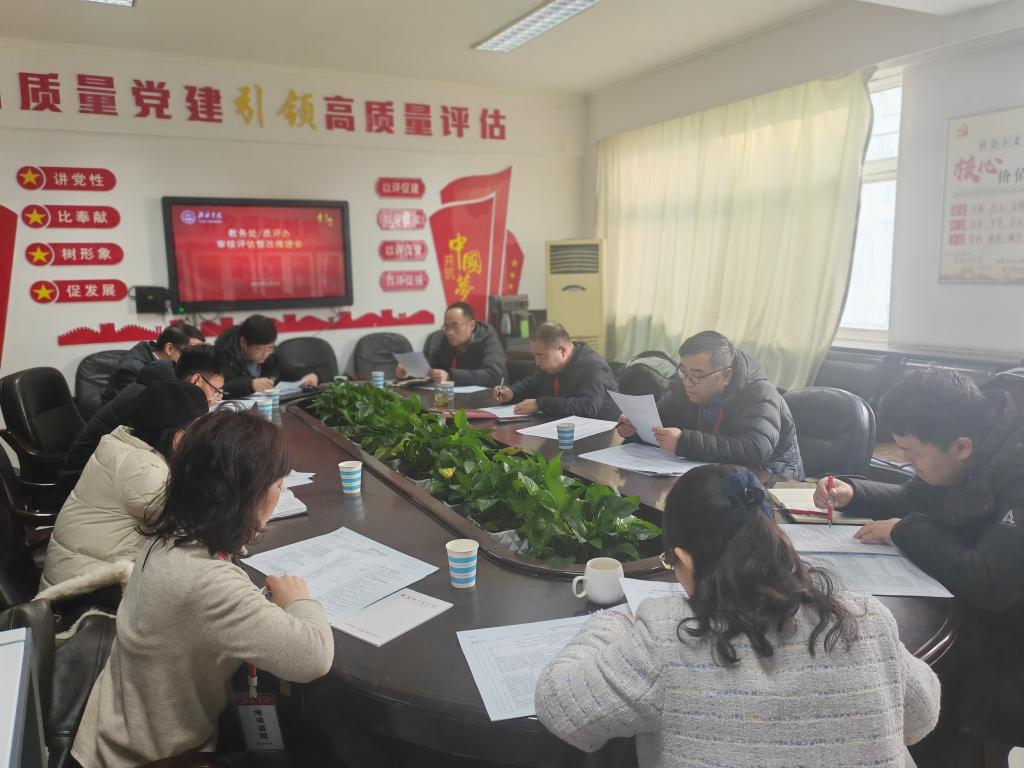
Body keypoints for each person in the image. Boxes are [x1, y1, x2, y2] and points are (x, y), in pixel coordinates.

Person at [535, 464, 940, 767]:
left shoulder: (668, 635)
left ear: (684, 561)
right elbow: (921, 717)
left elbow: (560, 706)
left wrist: (610, 622)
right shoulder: (865, 618)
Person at [71, 409, 334, 768]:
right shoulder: (207, 581)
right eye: (277, 483)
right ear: (247, 495)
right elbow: (313, 658)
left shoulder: (167, 537)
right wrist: (299, 600)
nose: (281, 491)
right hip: (151, 757)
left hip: (112, 732)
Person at [813, 367, 1024, 766]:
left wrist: (904, 530)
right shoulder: (970, 438)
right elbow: (916, 497)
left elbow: (990, 582)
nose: (907, 463)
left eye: (912, 453)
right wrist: (853, 492)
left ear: (961, 447)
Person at [39, 379, 209, 592]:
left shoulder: (123, 443)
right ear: (178, 438)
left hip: (81, 573)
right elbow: (192, 525)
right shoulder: (144, 469)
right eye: (202, 431)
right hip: (82, 591)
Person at [618, 330, 803, 481]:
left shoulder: (761, 395)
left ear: (726, 375)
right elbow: (660, 421)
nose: (688, 382)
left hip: (773, 479)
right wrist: (636, 426)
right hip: (712, 469)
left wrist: (684, 442)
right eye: (683, 371)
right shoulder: (685, 382)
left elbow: (755, 449)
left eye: (697, 375)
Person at [64, 344, 229, 474]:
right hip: (86, 473)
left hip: (116, 468)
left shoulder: (166, 385)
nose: (214, 398)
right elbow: (171, 452)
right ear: (196, 380)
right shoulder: (158, 397)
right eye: (215, 390)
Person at [492, 322, 617, 418]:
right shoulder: (551, 365)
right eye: (534, 355)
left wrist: (540, 404)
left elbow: (588, 406)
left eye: (541, 355)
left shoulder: (593, 366)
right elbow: (532, 383)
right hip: (563, 427)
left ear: (563, 350)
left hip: (600, 433)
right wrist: (512, 392)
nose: (537, 362)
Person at [397, 302, 507, 387]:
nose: (449, 332)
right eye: (446, 327)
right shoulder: (443, 340)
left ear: (472, 325)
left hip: (489, 400)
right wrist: (409, 372)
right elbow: (431, 370)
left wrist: (450, 376)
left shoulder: (488, 340)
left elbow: (494, 376)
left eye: (455, 326)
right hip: (455, 398)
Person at [215, 313, 318, 396]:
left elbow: (289, 373)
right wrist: (250, 385)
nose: (265, 354)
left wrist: (310, 376)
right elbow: (217, 389)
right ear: (243, 342)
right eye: (258, 349)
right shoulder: (223, 356)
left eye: (269, 348)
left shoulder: (271, 358)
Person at [101, 323, 204, 402]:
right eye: (192, 351)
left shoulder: (173, 364)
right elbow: (136, 410)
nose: (196, 358)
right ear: (169, 349)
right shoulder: (133, 369)